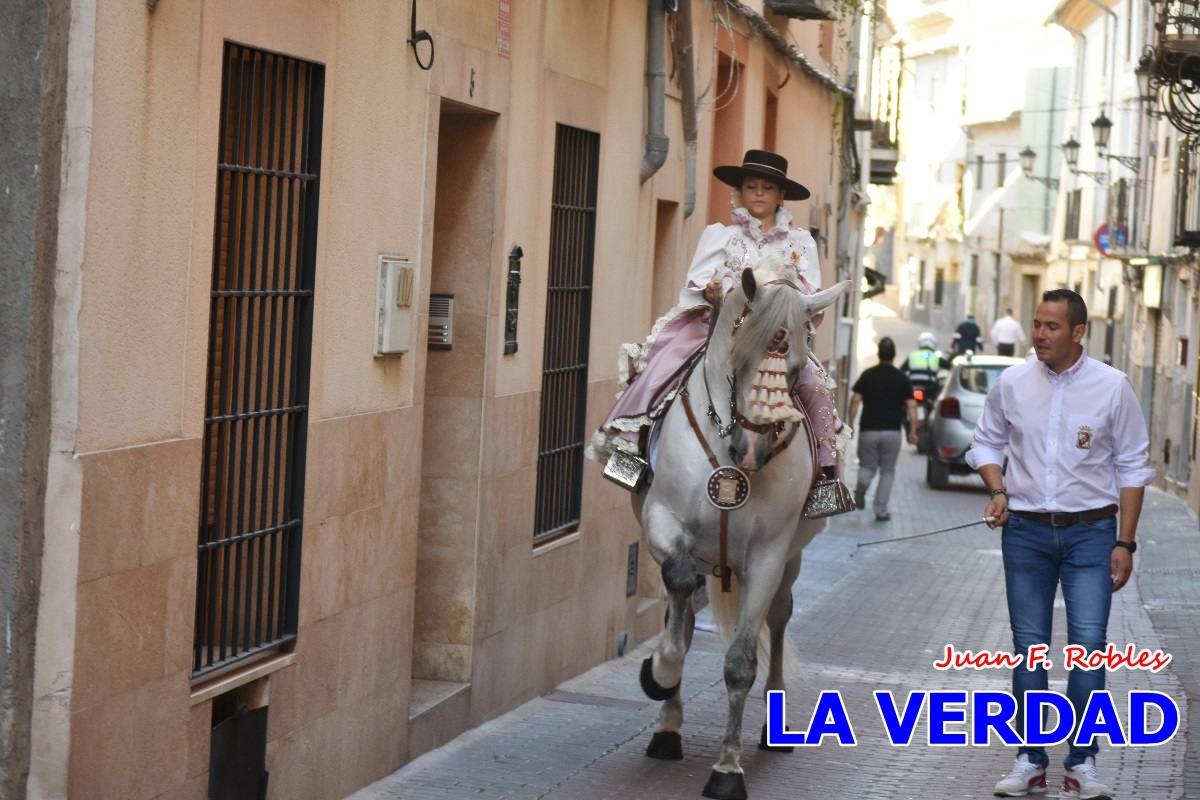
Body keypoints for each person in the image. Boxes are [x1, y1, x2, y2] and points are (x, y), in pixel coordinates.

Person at [967, 289, 1155, 800]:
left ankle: (1081, 763)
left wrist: (1126, 542)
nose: (1040, 335)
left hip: (1093, 533)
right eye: (1036, 324)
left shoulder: (1112, 387)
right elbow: (985, 441)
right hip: (1025, 531)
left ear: (1078, 333)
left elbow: (1133, 465)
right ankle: (1030, 760)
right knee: (1029, 648)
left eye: (1052, 327)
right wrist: (997, 489)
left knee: (1089, 648)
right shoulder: (1012, 382)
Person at [587, 149, 846, 479]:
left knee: (815, 384)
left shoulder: (800, 242)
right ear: (740, 192)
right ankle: (631, 448)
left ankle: (826, 475)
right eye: (752, 187)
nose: (759, 194)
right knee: (661, 365)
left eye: (767, 188)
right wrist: (711, 291)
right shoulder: (721, 235)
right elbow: (697, 282)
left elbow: (808, 293)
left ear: (781, 196)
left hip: (777, 338)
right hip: (720, 327)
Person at [847, 338, 918, 521]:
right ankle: (880, 510)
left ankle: (861, 487)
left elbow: (855, 400)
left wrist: (850, 424)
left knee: (867, 467)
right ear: (894, 355)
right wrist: (913, 431)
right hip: (892, 432)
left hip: (868, 430)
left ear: (878, 353)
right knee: (887, 471)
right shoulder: (902, 378)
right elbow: (912, 406)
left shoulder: (868, 375)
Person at [900, 331, 951, 397]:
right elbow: (950, 367)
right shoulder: (935, 357)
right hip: (929, 389)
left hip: (913, 388)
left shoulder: (912, 356)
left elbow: (901, 371)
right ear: (933, 344)